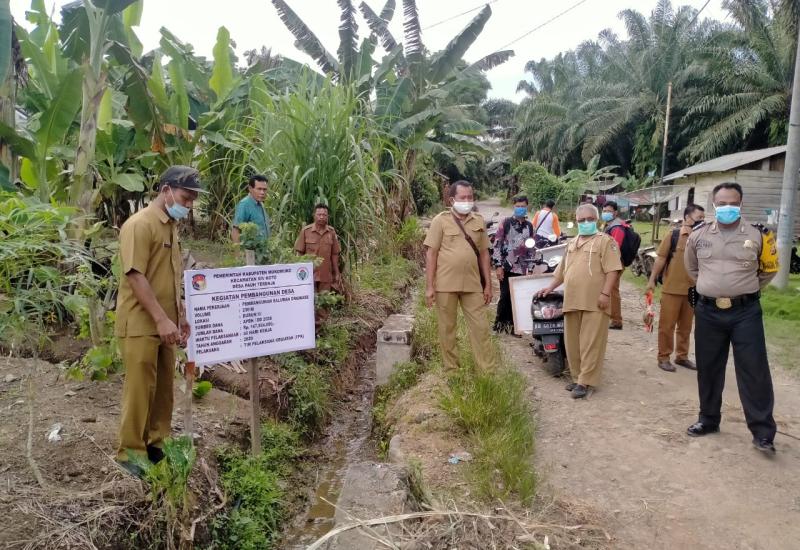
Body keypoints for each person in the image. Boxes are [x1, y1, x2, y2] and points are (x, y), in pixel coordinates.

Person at [115, 165, 203, 477]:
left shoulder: (170, 226)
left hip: (166, 322)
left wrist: (180, 315)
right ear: (165, 190)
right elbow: (136, 276)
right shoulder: (140, 225)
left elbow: (168, 276)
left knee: (164, 386)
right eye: (185, 196)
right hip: (141, 322)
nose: (189, 204)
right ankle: (130, 453)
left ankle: (157, 442)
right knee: (141, 387)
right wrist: (160, 319)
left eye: (193, 199)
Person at [684, 182, 779, 454]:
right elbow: (691, 267)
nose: (727, 207)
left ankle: (762, 432)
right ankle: (708, 419)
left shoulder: (760, 235)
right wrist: (711, 287)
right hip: (708, 311)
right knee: (709, 367)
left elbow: (769, 269)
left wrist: (743, 289)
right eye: (722, 203)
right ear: (714, 205)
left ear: (741, 204)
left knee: (754, 370)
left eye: (732, 203)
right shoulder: (698, 235)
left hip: (745, 312)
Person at [538, 203, 622, 398]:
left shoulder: (605, 241)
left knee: (591, 342)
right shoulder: (572, 243)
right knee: (573, 342)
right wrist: (550, 287)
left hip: (595, 301)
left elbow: (613, 270)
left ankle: (586, 382)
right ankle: (577, 378)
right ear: (576, 222)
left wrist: (605, 294)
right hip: (573, 300)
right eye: (582, 220)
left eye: (590, 220)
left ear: (597, 220)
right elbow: (562, 271)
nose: (586, 223)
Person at [424, 180, 496, 371]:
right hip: (445, 285)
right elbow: (431, 253)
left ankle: (486, 372)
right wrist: (430, 286)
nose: (467, 201)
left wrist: (488, 285)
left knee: (481, 329)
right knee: (447, 330)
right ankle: (452, 370)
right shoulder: (440, 221)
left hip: (472, 285)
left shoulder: (478, 221)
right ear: (452, 199)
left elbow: (484, 254)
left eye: (470, 197)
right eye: (462, 197)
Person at [646, 204, 705, 372]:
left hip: (694, 290)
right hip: (671, 289)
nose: (702, 221)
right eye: (699, 218)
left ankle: (682, 356)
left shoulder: (704, 238)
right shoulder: (674, 235)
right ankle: (663, 357)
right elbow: (661, 258)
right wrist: (651, 280)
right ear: (687, 218)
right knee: (667, 326)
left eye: (703, 218)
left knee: (686, 326)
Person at [492, 196, 534, 335]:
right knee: (505, 296)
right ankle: (499, 325)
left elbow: (531, 247)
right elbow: (497, 244)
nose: (520, 208)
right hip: (506, 266)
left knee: (517, 298)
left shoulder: (529, 226)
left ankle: (514, 326)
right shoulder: (506, 222)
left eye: (523, 206)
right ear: (513, 206)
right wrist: (498, 265)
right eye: (517, 206)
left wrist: (531, 267)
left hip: (522, 267)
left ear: (527, 207)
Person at [294, 203, 342, 292]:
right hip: (309, 274)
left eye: (324, 215)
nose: (321, 217)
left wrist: (336, 272)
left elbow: (334, 254)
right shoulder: (305, 231)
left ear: (328, 217)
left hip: (326, 274)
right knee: (310, 302)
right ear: (314, 216)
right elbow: (299, 253)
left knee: (325, 301)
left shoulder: (331, 232)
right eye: (319, 214)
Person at [601, 201, 626, 329]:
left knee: (612, 289)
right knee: (610, 289)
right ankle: (611, 315)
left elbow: (615, 248)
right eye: (604, 211)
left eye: (608, 211)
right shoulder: (609, 225)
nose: (605, 213)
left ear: (615, 213)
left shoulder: (617, 227)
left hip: (615, 262)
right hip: (612, 262)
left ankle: (616, 320)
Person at [231, 174, 270, 244]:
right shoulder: (245, 204)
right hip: (249, 252)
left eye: (264, 189)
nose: (262, 192)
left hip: (262, 252)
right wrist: (238, 253)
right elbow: (236, 231)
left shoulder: (260, 204)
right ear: (250, 188)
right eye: (259, 189)